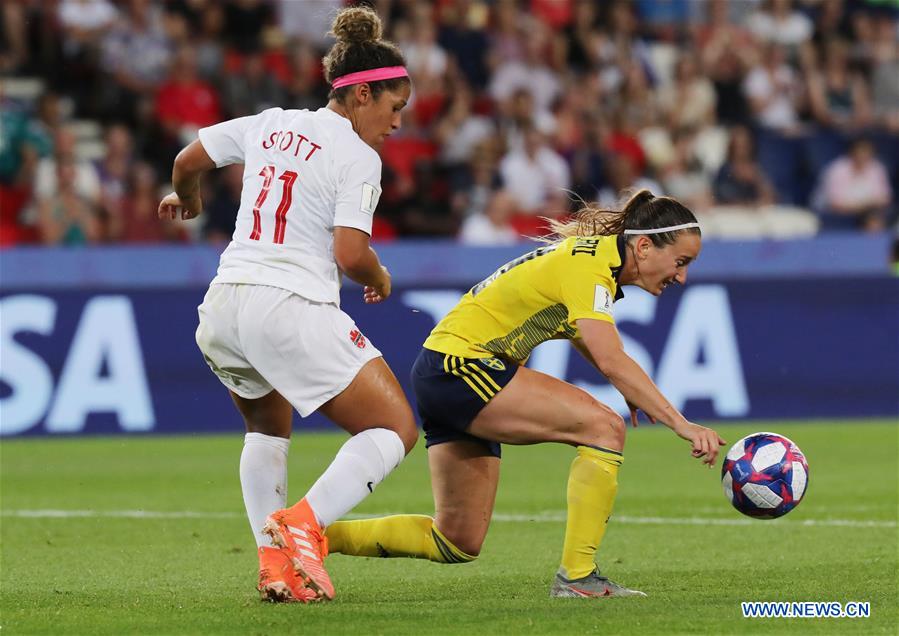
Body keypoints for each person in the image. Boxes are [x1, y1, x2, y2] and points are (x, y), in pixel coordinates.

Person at [324, 189, 726, 598]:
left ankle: (313, 536)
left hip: (443, 369)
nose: (682, 277)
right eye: (681, 262)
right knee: (604, 428)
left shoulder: (588, 259)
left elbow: (586, 338)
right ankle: (578, 577)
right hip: (465, 366)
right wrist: (682, 424)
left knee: (456, 541)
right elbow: (612, 359)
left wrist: (633, 391)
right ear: (643, 245)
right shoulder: (589, 268)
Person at [157, 6, 417, 604]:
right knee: (394, 427)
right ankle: (303, 525)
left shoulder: (270, 122)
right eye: (393, 106)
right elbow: (351, 254)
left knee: (267, 431)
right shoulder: (357, 156)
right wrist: (381, 276)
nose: (397, 122)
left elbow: (187, 161)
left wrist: (188, 200)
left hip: (223, 307)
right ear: (359, 98)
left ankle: (275, 566)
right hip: (288, 303)